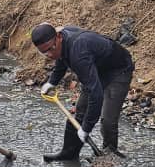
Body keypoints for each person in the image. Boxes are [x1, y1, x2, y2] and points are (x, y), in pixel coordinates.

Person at [32, 23, 134, 160]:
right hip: (96, 68)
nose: (50, 54)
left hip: (118, 70)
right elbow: (60, 57)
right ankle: (69, 153)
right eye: (44, 52)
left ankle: (109, 161)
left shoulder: (78, 52)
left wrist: (86, 128)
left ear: (58, 37)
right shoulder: (60, 43)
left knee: (108, 121)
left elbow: (96, 95)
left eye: (51, 48)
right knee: (80, 112)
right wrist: (52, 81)